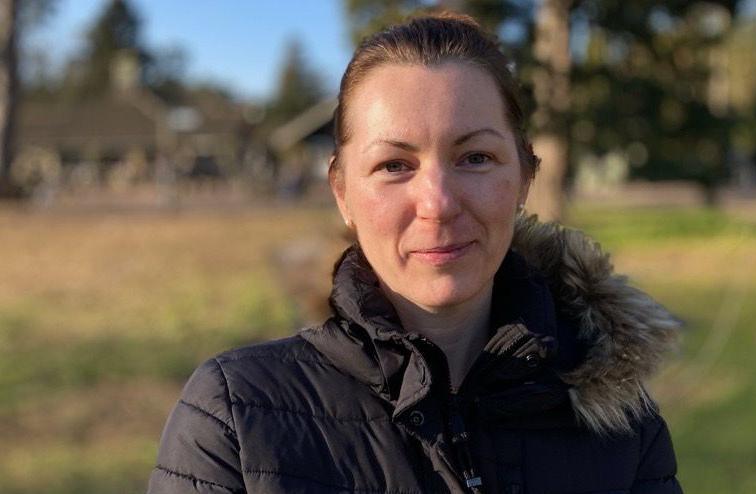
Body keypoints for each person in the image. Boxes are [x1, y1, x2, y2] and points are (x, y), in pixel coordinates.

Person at [148, 12, 683, 494]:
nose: (438, 203)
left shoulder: (621, 425)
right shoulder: (237, 418)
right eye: (394, 166)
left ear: (524, 178)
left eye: (475, 157)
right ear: (342, 194)